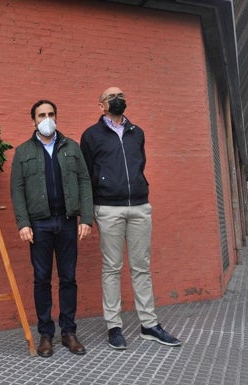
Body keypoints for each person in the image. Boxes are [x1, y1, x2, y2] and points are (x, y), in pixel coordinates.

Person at [80, 87, 181, 350]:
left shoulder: (137, 133)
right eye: (112, 96)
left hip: (139, 206)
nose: (118, 99)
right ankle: (114, 326)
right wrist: (88, 211)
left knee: (142, 268)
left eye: (121, 94)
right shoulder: (91, 136)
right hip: (108, 208)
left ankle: (149, 324)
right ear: (101, 104)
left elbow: (140, 165)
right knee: (111, 269)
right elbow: (87, 175)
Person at [10, 99, 93, 358]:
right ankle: (45, 334)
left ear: (56, 117)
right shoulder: (23, 152)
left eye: (50, 114)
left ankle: (68, 332)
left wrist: (86, 218)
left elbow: (84, 182)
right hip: (40, 225)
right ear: (33, 120)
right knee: (42, 279)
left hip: (67, 222)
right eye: (41, 115)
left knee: (68, 278)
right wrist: (23, 223)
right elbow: (17, 189)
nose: (46, 118)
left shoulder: (72, 148)